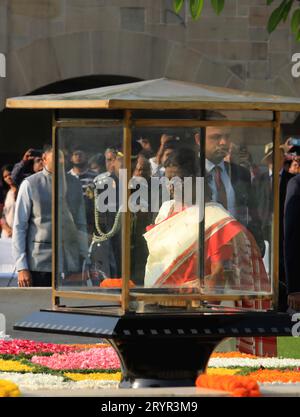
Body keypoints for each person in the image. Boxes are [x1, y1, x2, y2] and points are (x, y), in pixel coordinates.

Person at [143, 148, 274, 355]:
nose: (171, 186)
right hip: (158, 308)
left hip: (198, 320)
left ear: (195, 181)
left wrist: (190, 295)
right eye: (168, 180)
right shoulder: (166, 210)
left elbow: (219, 278)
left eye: (177, 179)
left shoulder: (216, 220)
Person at [12, 146, 88, 287]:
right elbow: (19, 227)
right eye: (56, 158)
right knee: (39, 307)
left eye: (63, 158)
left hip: (71, 262)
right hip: (40, 263)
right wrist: (22, 266)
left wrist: (85, 257)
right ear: (44, 159)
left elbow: (80, 223)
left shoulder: (74, 183)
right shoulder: (30, 184)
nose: (60, 161)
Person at [0, 165, 18, 238]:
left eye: (10, 174)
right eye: (5, 176)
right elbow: (1, 215)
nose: (8, 177)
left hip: (21, 233)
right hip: (7, 234)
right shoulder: (4, 194)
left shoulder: (23, 190)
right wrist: (8, 229)